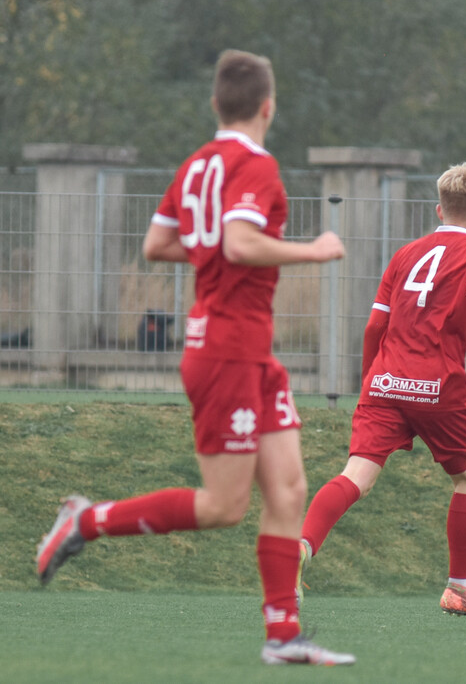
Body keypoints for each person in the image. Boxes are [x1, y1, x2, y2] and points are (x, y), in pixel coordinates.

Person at [35, 50, 355, 666]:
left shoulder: (196, 165)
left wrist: (211, 252)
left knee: (288, 490)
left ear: (215, 104)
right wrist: (313, 251)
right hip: (225, 353)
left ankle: (284, 636)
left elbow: (156, 245)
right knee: (224, 507)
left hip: (252, 354)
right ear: (269, 106)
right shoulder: (256, 165)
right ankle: (86, 519)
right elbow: (237, 241)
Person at [298, 162, 466, 618]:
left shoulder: (406, 254)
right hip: (437, 385)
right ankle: (460, 588)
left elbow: (375, 325)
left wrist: (369, 387)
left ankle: (301, 546)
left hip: (384, 381)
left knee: (355, 475)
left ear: (439, 209)